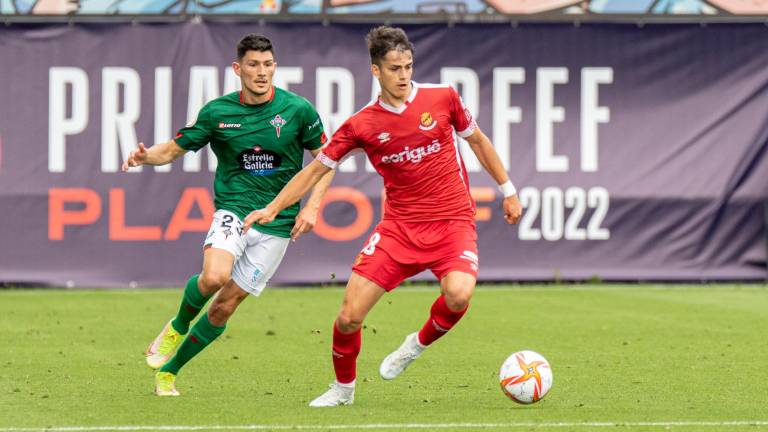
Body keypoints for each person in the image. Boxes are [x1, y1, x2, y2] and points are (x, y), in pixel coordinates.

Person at [243, 26, 522, 407]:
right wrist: (273, 208)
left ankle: (414, 345)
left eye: (408, 66)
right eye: (394, 68)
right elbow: (315, 170)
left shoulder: (443, 98)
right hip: (398, 231)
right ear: (376, 71)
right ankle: (343, 390)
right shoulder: (362, 124)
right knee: (348, 318)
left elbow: (478, 141)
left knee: (458, 295)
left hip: (452, 223)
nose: (404, 75)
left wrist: (508, 189)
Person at [121, 33, 333, 396]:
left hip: (278, 223)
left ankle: (169, 373)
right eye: (253, 64)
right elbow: (172, 150)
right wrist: (145, 157)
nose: (261, 72)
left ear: (275, 66)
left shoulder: (298, 110)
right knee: (214, 276)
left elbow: (326, 161)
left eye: (267, 64)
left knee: (224, 308)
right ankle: (178, 325)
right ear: (238, 68)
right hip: (234, 209)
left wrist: (312, 207)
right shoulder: (217, 113)